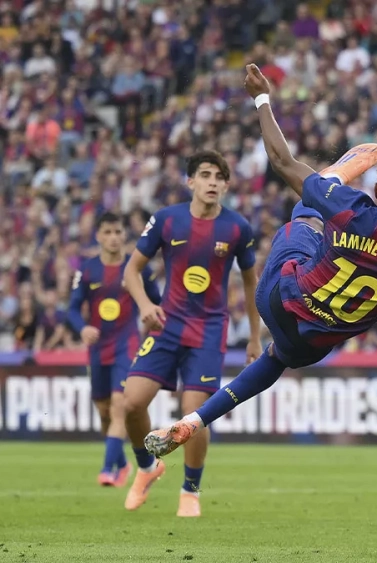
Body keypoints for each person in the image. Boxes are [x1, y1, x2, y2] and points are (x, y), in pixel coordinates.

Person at [143, 64, 377, 468]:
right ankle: (195, 420)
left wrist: (262, 98)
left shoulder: (354, 209)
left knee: (306, 208)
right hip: (317, 340)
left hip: (281, 299)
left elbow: (282, 161)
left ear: (375, 189)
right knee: (278, 357)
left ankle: (333, 176)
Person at [120, 149, 261, 518]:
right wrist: (145, 306)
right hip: (167, 325)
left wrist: (255, 337)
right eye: (206, 175)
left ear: (227, 184)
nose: (213, 182)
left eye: (219, 176)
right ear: (190, 181)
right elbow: (131, 272)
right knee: (131, 403)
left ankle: (191, 490)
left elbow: (251, 283)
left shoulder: (236, 228)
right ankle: (148, 468)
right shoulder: (166, 221)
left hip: (209, 331)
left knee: (192, 415)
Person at [67, 212, 161, 487]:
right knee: (105, 411)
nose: (113, 237)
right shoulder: (86, 270)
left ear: (124, 235)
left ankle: (108, 469)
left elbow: (158, 301)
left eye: (118, 232)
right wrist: (82, 328)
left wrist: (154, 321)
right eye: (107, 232)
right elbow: (72, 308)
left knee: (120, 406)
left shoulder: (137, 268)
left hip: (127, 345)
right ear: (98, 236)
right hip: (98, 348)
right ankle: (121, 462)